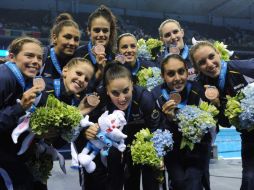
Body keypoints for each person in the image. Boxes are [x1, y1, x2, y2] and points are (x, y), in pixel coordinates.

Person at [74, 63, 161, 190]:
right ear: (107, 91)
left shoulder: (144, 98)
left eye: (126, 90)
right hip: (106, 146)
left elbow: (155, 129)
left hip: (135, 143)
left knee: (133, 180)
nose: (122, 98)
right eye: (115, 93)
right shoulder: (99, 98)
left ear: (132, 84)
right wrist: (88, 131)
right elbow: (84, 123)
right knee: (110, 182)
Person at [189, 40, 254, 190]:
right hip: (249, 137)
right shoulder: (203, 86)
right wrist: (217, 104)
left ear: (219, 53)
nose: (210, 63)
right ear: (197, 68)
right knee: (249, 180)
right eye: (202, 62)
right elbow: (226, 123)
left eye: (211, 56)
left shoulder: (243, 68)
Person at [152, 54, 212, 190]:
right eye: (171, 74)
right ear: (163, 76)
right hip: (173, 152)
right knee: (179, 183)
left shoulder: (198, 90)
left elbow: (208, 126)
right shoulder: (157, 96)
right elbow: (156, 130)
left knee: (194, 184)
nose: (177, 78)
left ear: (187, 71)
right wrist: (169, 120)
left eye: (181, 71)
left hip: (198, 149)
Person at [0, 36, 43, 190]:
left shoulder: (22, 80)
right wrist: (19, 108)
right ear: (12, 57)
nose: (36, 61)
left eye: (39, 57)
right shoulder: (4, 77)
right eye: (29, 55)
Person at [74, 5, 117, 92]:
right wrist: (99, 72)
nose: (101, 34)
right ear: (88, 31)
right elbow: (75, 91)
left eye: (105, 31)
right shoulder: (78, 55)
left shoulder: (115, 59)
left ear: (110, 32)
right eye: (97, 30)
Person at [40, 12, 81, 79]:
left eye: (76, 39)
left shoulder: (79, 61)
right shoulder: (41, 57)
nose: (72, 43)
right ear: (55, 38)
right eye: (67, 37)